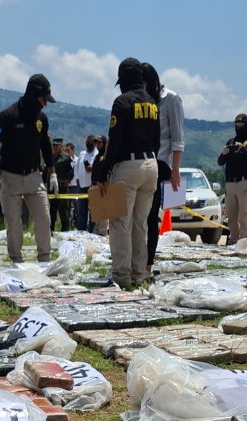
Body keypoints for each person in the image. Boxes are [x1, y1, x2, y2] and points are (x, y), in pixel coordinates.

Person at [97, 57, 159, 288]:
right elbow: (157, 140)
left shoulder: (121, 102)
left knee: (121, 222)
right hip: (150, 164)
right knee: (140, 223)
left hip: (128, 166)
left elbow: (115, 141)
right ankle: (138, 274)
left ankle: (122, 276)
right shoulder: (152, 102)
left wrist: (104, 172)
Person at [0, 74, 56, 264]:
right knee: (14, 223)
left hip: (34, 176)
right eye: (43, 100)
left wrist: (52, 173)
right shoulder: (8, 115)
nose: (45, 104)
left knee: (44, 218)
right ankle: (16, 260)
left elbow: (46, 147)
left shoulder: (42, 119)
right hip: (10, 177)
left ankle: (44, 259)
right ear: (33, 95)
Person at [142, 64, 184, 266]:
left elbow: (177, 137)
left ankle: (148, 263)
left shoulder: (171, 98)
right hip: (143, 160)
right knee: (140, 215)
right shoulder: (142, 100)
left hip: (161, 162)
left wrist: (175, 169)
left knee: (151, 215)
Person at [218, 113, 247, 242]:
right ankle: (233, 240)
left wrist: (244, 150)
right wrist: (224, 154)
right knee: (231, 215)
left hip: (245, 182)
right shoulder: (231, 142)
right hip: (231, 183)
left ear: (246, 125)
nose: (238, 128)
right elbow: (220, 162)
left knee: (245, 215)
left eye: (241, 126)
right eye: (236, 126)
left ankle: (243, 241)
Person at [49, 138, 73, 231]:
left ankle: (65, 232)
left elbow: (71, 171)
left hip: (62, 189)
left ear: (61, 146)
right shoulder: (50, 157)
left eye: (57, 145)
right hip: (51, 189)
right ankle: (50, 232)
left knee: (63, 212)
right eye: (54, 145)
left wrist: (68, 180)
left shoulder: (66, 157)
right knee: (51, 213)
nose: (55, 147)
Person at [75, 134, 97, 231]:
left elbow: (99, 167)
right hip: (82, 186)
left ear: (95, 143)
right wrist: (77, 180)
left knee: (93, 212)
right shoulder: (82, 154)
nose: (89, 144)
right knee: (82, 211)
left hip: (92, 187)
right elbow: (77, 168)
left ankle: (92, 231)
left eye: (91, 142)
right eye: (87, 142)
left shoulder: (97, 154)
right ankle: (81, 231)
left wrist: (92, 168)